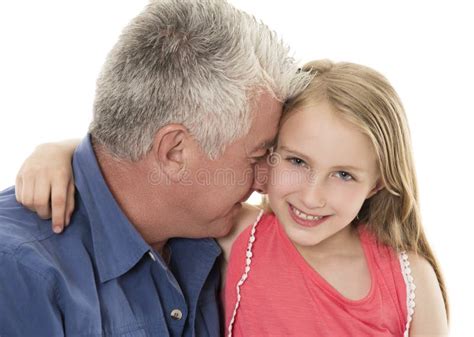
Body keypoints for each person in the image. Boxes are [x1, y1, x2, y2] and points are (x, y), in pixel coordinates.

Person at [14, 60, 449, 336]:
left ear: (377, 184)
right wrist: (60, 150)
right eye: (297, 161)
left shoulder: (409, 280)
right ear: (269, 154)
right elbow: (137, 161)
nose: (312, 195)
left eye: (343, 175)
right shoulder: (245, 233)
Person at [0, 0, 311, 336]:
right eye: (257, 156)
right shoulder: (21, 270)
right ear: (175, 151)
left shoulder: (213, 236)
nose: (266, 182)